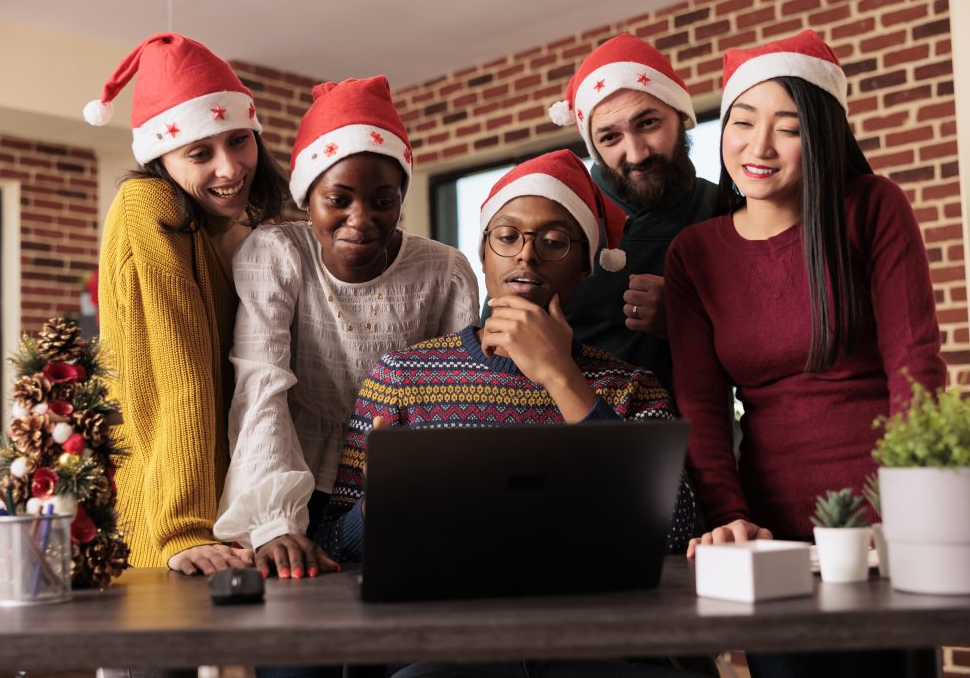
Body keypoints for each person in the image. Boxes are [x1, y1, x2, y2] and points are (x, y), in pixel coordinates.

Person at [315, 150, 697, 678]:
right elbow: (333, 547)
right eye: (508, 236)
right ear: (483, 253)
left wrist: (560, 377)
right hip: (440, 650)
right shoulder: (401, 376)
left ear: (587, 265)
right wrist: (375, 507)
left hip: (597, 646)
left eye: (554, 240)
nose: (527, 257)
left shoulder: (630, 387)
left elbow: (675, 533)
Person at [667, 29, 945, 553]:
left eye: (788, 128)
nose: (758, 146)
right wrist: (730, 515)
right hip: (767, 530)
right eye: (742, 122)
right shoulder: (694, 253)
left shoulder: (872, 207)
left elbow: (915, 360)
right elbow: (701, 404)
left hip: (887, 516)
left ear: (821, 136)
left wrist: (913, 495)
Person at [213, 76, 480, 581]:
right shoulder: (278, 253)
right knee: (294, 648)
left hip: (406, 489)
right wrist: (273, 523)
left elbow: (457, 394)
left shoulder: (444, 270)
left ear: (402, 197)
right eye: (338, 200)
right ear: (307, 197)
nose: (361, 220)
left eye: (384, 200)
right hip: (296, 481)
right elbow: (261, 382)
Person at [90, 33, 288, 574]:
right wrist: (184, 528)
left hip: (225, 511)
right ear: (161, 157)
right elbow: (180, 370)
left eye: (240, 141)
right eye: (200, 153)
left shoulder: (241, 227)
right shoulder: (147, 204)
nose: (230, 167)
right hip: (166, 517)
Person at [546, 33, 719, 390]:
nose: (637, 153)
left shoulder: (725, 210)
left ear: (681, 116)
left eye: (649, 124)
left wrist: (690, 318)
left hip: (697, 435)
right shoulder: (554, 213)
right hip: (567, 440)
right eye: (610, 138)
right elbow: (502, 351)